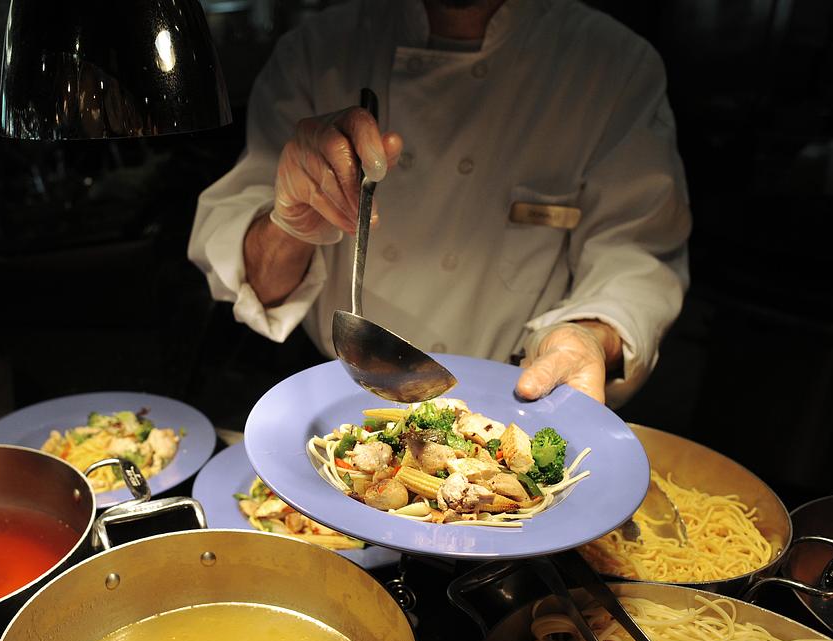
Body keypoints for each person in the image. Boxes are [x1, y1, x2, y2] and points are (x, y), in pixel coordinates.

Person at [187, 0, 691, 406]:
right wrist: (291, 225)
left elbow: (636, 256)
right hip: (339, 401)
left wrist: (586, 335)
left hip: (522, 405)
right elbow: (257, 284)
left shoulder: (614, 65)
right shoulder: (317, 50)